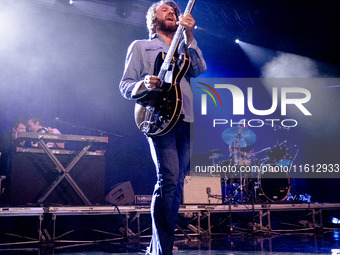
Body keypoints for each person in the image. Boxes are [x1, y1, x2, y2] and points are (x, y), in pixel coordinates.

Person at [119, 1, 206, 254]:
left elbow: (200, 69)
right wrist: (145, 83)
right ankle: (163, 249)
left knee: (178, 184)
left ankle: (157, 247)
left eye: (174, 11)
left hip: (186, 117)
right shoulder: (141, 47)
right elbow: (125, 86)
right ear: (153, 19)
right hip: (159, 117)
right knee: (167, 180)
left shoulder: (183, 47)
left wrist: (189, 36)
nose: (172, 12)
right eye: (164, 10)